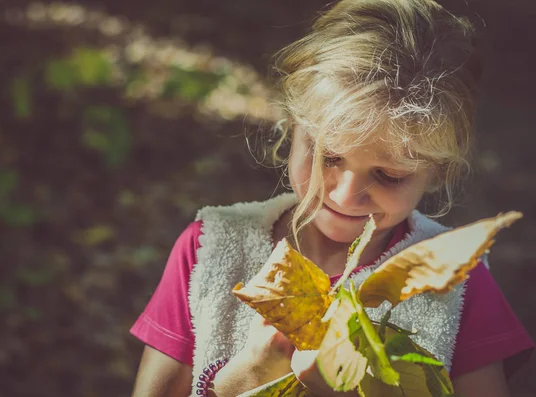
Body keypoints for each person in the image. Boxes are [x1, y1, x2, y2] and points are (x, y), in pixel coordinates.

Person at [130, 0, 534, 396]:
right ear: (292, 126)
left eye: (388, 175)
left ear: (438, 171)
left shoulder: (456, 281)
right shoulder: (210, 250)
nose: (344, 195)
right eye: (329, 156)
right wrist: (243, 383)